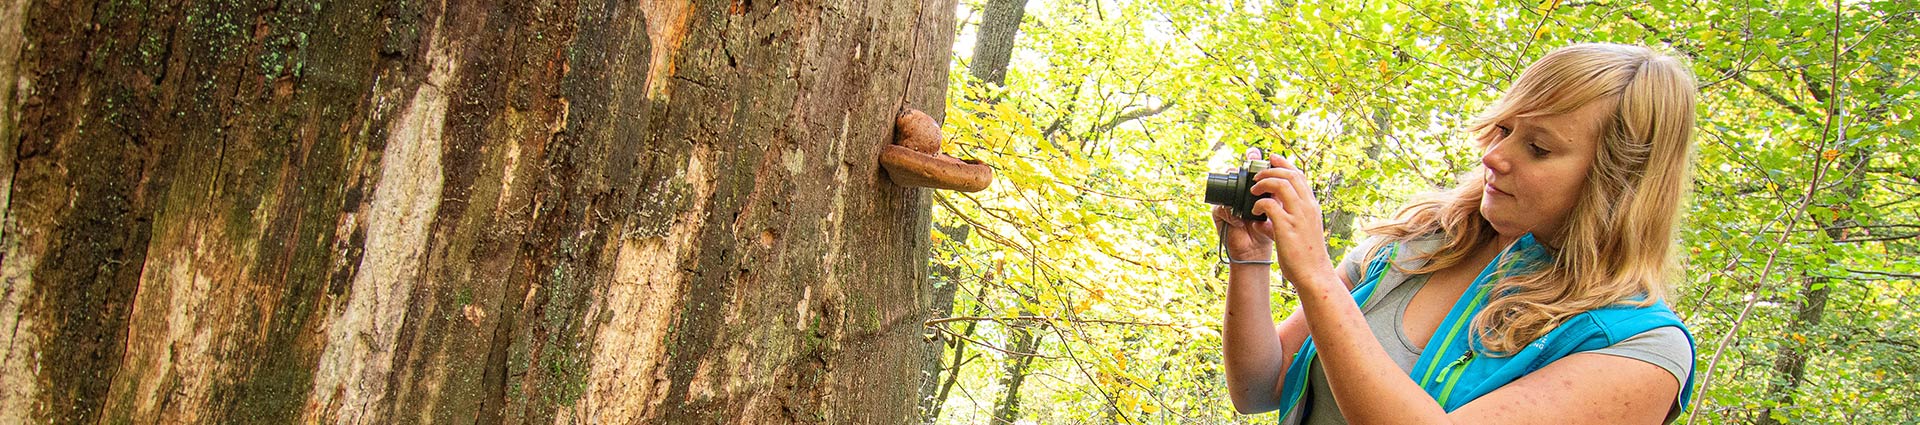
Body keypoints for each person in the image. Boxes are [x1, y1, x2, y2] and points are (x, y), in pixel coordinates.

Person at [1217, 43, 1700, 425]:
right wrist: (1252, 258)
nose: (1494, 155)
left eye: (1537, 147)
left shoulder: (1639, 349)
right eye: (1503, 128)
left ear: (1617, 179)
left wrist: (1318, 279)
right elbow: (1259, 387)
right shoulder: (1420, 243)